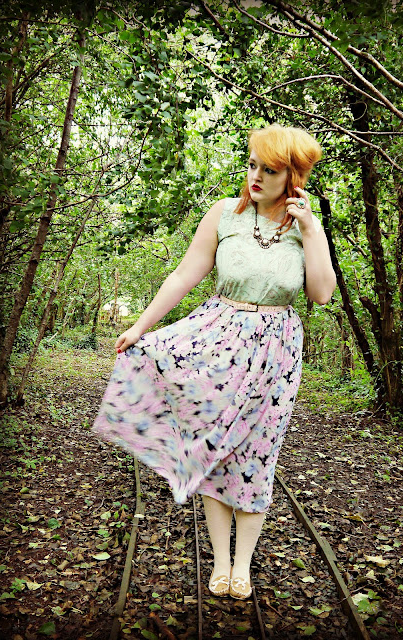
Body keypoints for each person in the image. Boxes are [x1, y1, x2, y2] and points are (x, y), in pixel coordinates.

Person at [93, 124, 336, 600]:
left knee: (258, 456)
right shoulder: (225, 214)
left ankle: (242, 566)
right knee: (214, 451)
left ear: (293, 177)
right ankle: (221, 563)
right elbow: (184, 275)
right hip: (217, 343)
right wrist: (140, 327)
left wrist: (310, 230)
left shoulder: (307, 228)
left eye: (269, 170)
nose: (256, 176)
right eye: (252, 165)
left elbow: (321, 294)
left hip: (276, 354)